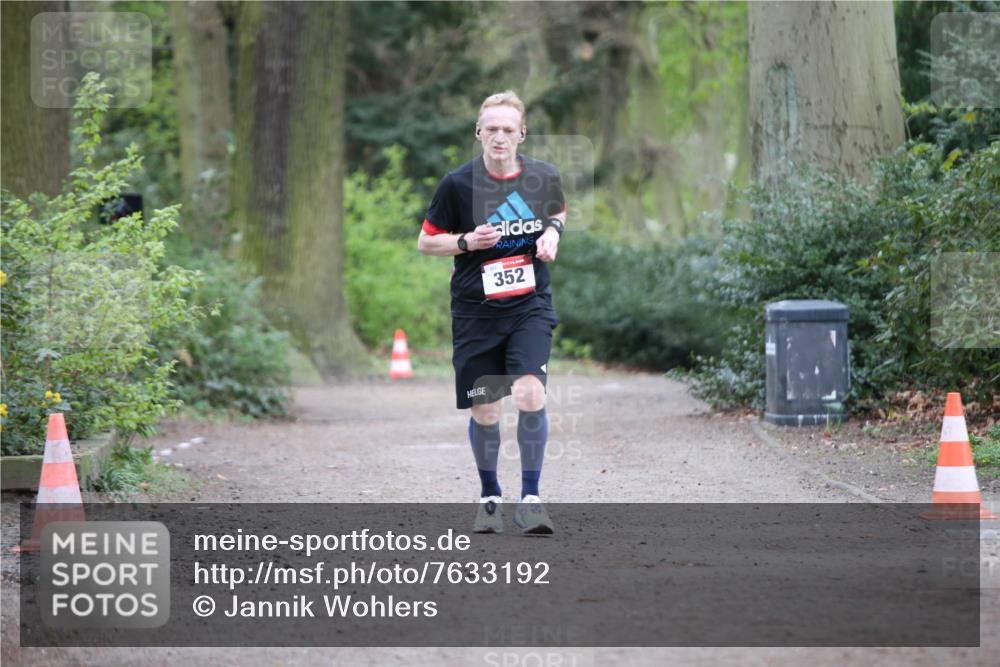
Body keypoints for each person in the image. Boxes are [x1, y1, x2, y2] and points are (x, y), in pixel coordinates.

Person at [417, 91, 567, 535]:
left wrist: (553, 233)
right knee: (486, 409)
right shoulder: (457, 185)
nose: (500, 137)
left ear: (522, 134)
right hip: (476, 312)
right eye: (492, 129)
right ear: (478, 132)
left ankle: (531, 501)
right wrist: (466, 242)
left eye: (508, 129)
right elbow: (426, 242)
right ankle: (489, 498)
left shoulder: (543, 176)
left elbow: (558, 210)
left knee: (530, 394)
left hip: (529, 305)